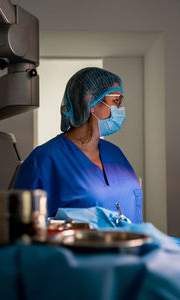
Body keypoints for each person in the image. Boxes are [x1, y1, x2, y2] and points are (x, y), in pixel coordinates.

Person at [14, 67, 142, 223]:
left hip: (133, 245)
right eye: (115, 101)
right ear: (90, 102)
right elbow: (21, 223)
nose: (119, 109)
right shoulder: (44, 160)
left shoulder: (115, 153)